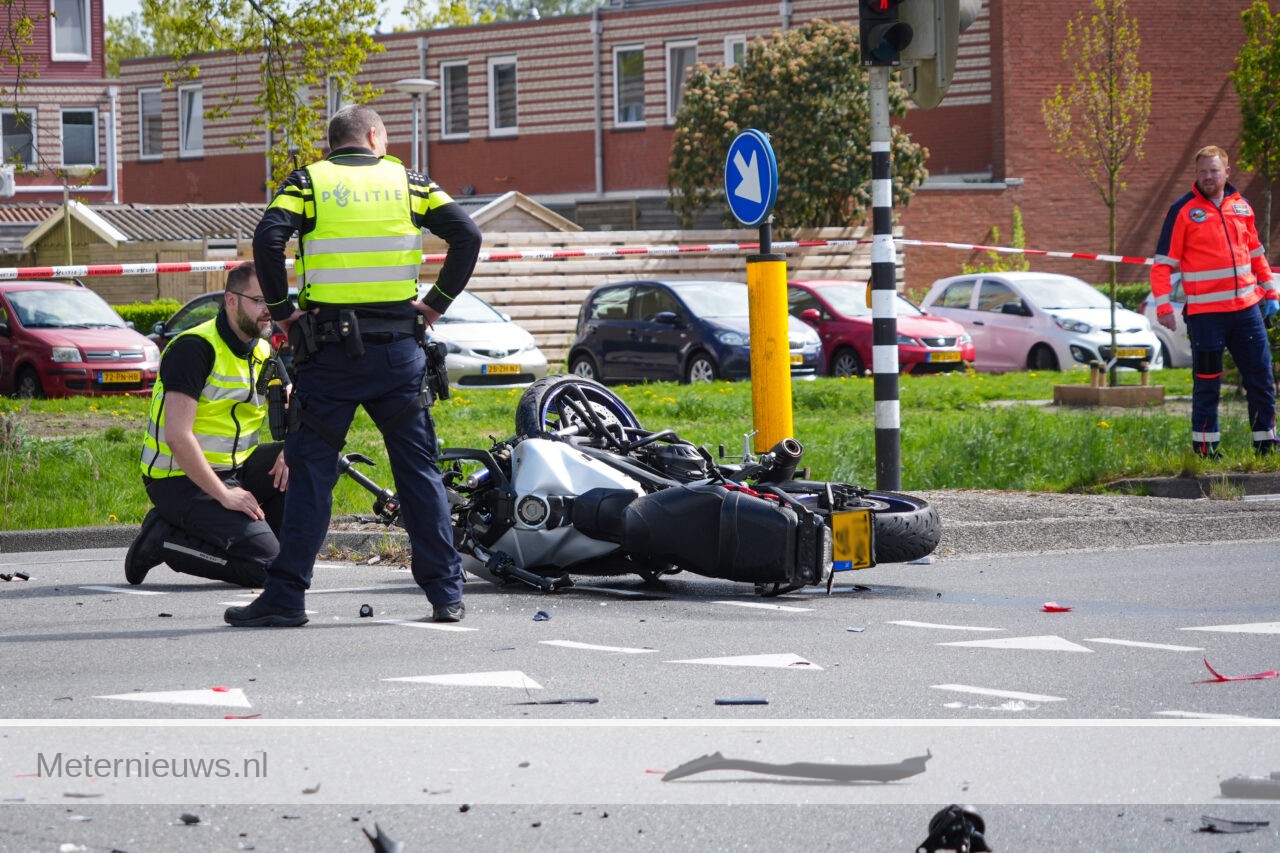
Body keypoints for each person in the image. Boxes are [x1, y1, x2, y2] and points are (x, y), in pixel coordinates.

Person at [226, 103, 482, 628]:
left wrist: (281, 313)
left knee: (312, 477)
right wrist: (435, 304)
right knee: (418, 474)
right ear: (373, 136)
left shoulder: (308, 182)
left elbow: (268, 239)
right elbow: (468, 235)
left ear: (334, 141)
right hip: (398, 352)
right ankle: (446, 594)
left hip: (328, 355)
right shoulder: (410, 182)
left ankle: (286, 597)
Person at [126, 261, 289, 587]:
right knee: (269, 570)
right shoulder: (194, 348)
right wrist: (226, 497)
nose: (268, 310)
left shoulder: (262, 348)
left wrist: (293, 448)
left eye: (271, 300)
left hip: (235, 469)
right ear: (231, 300)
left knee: (310, 462)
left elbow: (292, 400)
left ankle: (266, 543)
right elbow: (177, 435)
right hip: (179, 479)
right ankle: (163, 538)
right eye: (259, 300)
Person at [1151, 144, 1279, 459]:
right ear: (1196, 175)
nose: (1208, 177)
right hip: (1206, 316)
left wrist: (1271, 291)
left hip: (1247, 311)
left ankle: (1266, 445)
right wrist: (1164, 306)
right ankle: (1206, 450)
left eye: (1214, 170)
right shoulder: (1182, 211)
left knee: (1261, 378)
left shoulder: (1243, 207)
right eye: (1202, 172)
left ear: (1227, 172)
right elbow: (1162, 265)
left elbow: (1256, 254)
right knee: (1207, 383)